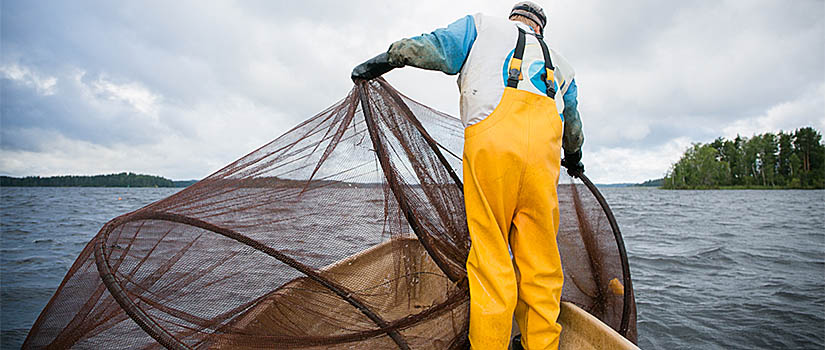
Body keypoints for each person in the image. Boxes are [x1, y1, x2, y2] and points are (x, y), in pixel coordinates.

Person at [352, 2, 584, 349]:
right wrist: (575, 158)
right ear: (540, 29)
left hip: (492, 152)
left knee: (491, 258)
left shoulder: (481, 27)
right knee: (541, 264)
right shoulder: (563, 65)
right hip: (542, 166)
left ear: (514, 18)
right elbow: (573, 127)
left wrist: (386, 59)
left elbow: (432, 48)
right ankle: (542, 344)